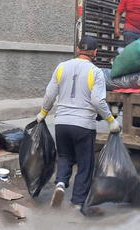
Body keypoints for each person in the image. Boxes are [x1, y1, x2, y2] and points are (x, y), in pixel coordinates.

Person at [36, 36, 121, 210]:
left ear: (77, 49)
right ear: (95, 52)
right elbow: (97, 101)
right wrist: (111, 121)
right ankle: (77, 201)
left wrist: (43, 113)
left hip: (61, 123)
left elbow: (50, 94)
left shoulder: (61, 67)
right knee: (85, 163)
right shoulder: (95, 72)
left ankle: (60, 183)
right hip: (83, 125)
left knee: (65, 156)